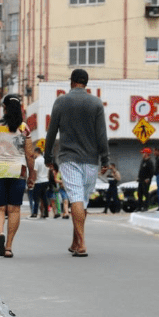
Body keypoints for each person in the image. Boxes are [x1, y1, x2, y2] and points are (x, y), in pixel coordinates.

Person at [44, 69, 110, 258]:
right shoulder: (96, 102)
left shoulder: (61, 101)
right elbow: (102, 134)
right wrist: (105, 158)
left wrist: (48, 157)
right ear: (86, 83)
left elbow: (51, 132)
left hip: (69, 159)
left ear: (71, 82)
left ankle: (81, 244)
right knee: (82, 201)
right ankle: (75, 242)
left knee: (76, 199)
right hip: (91, 161)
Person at [0, 94, 37, 259]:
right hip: (18, 170)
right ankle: (9, 247)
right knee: (14, 209)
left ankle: (0, 233)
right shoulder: (24, 128)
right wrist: (32, 175)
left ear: (4, 108)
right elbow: (30, 155)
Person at [29, 150, 46, 218]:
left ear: (36, 152)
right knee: (43, 198)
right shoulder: (45, 160)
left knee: (36, 199)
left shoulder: (37, 161)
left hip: (38, 181)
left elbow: (35, 172)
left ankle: (35, 213)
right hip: (45, 181)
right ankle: (43, 213)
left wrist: (33, 181)